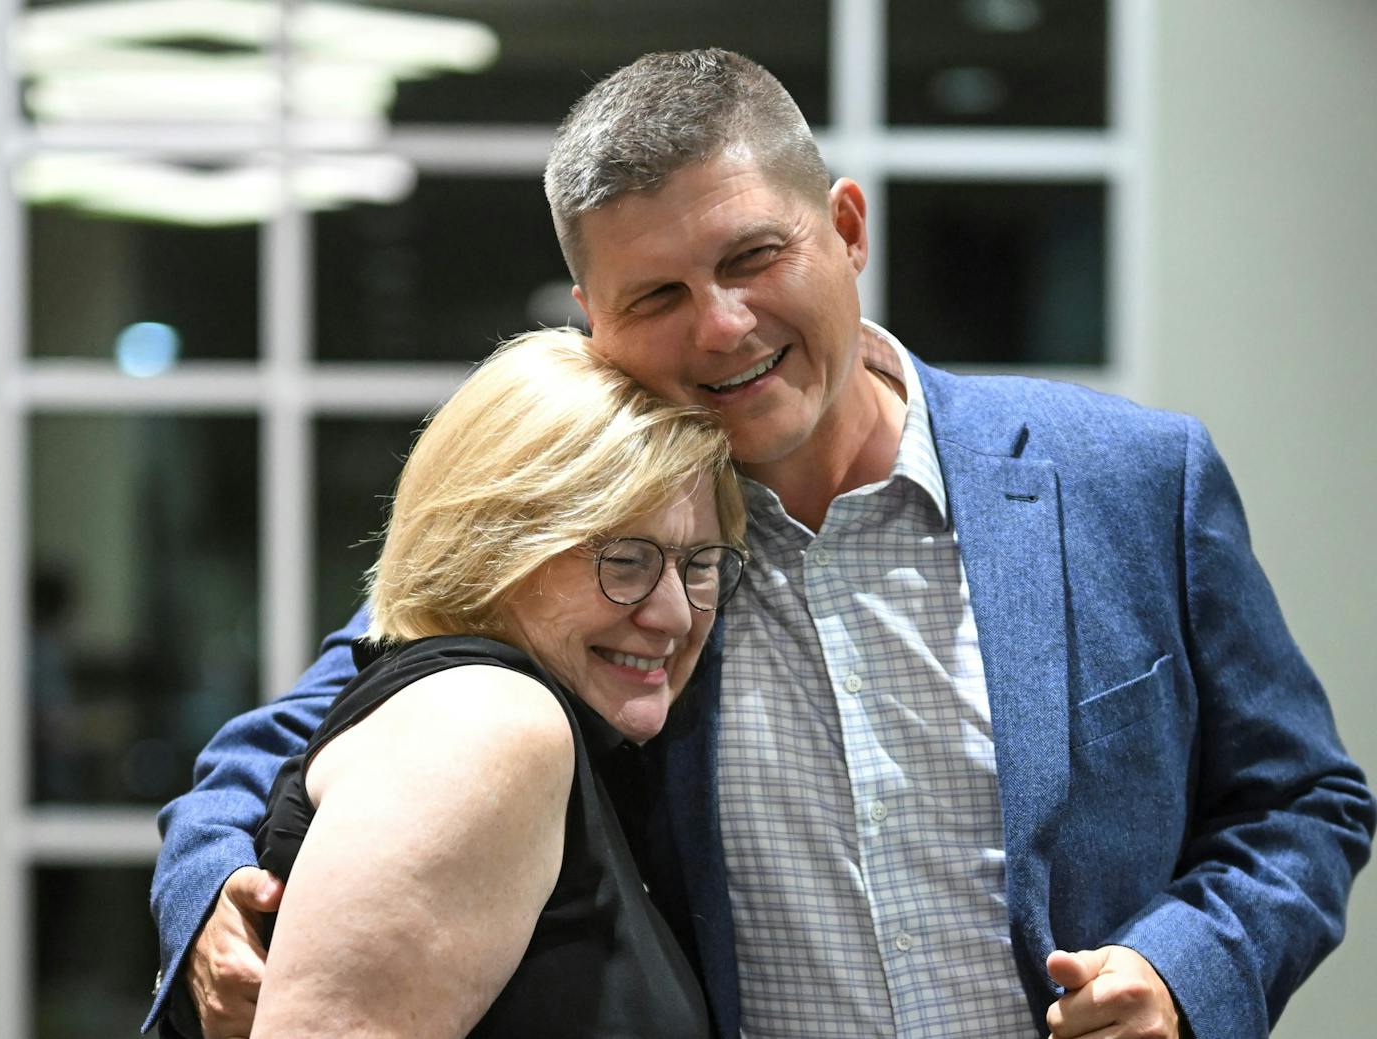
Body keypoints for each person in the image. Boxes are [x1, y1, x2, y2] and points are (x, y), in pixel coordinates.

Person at [147, 49, 1374, 1039]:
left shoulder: (1128, 477)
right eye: (656, 296)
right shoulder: (603, 546)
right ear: (593, 321)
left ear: (842, 226)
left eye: (751, 257)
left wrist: (1181, 973)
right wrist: (212, 896)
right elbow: (306, 732)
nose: (721, 326)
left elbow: (1300, 800)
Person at [237, 326, 745, 1037]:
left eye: (699, 565)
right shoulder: (489, 722)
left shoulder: (515, 720)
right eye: (626, 560)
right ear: (491, 550)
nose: (673, 614)